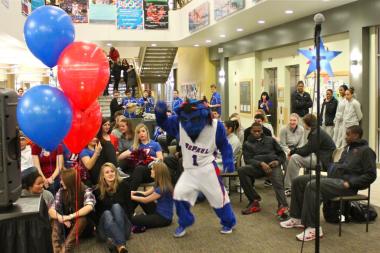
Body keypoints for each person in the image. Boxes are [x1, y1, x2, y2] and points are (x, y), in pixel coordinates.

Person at [155, 99, 236, 237]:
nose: (189, 123)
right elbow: (164, 123)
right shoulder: (180, 121)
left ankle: (228, 222)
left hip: (208, 169)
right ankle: (184, 222)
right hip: (190, 170)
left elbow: (224, 145)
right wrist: (160, 113)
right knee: (179, 195)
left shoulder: (216, 126)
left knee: (219, 199)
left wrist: (228, 159)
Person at [280, 125, 377, 241]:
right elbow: (341, 166)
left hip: (347, 185)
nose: (345, 137)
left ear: (356, 135)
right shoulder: (347, 149)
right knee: (299, 181)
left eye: (348, 134)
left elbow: (371, 175)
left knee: (313, 186)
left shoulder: (366, 151)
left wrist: (351, 183)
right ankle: (297, 217)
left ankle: (313, 228)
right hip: (335, 180)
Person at [238, 122, 289, 219]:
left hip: (273, 166)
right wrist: (260, 163)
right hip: (258, 168)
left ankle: (283, 206)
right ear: (251, 131)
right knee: (242, 170)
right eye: (254, 131)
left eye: (259, 131)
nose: (257, 133)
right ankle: (254, 201)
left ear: (262, 131)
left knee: (278, 182)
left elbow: (282, 154)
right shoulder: (247, 144)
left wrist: (277, 162)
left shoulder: (271, 140)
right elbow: (248, 160)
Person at [284, 114, 336, 193]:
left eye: (304, 123)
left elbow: (306, 151)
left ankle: (290, 187)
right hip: (321, 156)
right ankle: (294, 185)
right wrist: (294, 150)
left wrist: (293, 151)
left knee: (295, 158)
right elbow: (308, 147)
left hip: (323, 161)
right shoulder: (316, 131)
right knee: (296, 156)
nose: (303, 125)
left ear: (308, 123)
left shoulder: (316, 133)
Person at [49, 169, 96, 253]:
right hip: (68, 226)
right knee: (55, 220)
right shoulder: (61, 191)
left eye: (62, 180)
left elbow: (89, 207)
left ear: (69, 182)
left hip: (85, 229)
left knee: (82, 219)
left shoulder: (85, 190)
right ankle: (57, 250)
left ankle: (65, 250)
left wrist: (70, 216)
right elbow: (51, 210)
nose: (60, 182)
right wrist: (62, 218)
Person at [93, 163, 131, 253]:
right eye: (107, 172)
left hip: (124, 228)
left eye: (112, 171)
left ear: (116, 172)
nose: (110, 174)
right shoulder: (97, 190)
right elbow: (97, 214)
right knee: (106, 213)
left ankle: (116, 243)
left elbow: (130, 208)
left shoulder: (124, 185)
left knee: (116, 206)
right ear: (103, 176)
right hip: (105, 231)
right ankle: (121, 245)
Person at [131, 162, 174, 232]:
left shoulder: (162, 188)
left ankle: (134, 218)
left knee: (133, 219)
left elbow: (146, 200)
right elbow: (145, 193)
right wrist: (133, 192)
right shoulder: (159, 183)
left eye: (153, 169)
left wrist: (130, 196)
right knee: (138, 195)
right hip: (157, 211)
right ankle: (129, 212)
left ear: (158, 173)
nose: (151, 171)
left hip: (163, 218)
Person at [118, 123, 163, 191]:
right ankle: (120, 172)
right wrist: (131, 153)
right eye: (138, 132)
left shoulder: (155, 144)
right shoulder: (136, 146)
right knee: (128, 162)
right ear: (137, 135)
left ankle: (129, 194)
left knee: (138, 170)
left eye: (143, 131)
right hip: (137, 171)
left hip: (150, 171)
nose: (141, 133)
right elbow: (120, 157)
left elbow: (161, 159)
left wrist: (150, 158)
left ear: (147, 132)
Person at [279, 113, 305, 195]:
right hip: (285, 149)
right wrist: (289, 152)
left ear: (297, 121)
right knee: (287, 160)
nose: (292, 122)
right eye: (290, 120)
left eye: (294, 120)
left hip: (296, 149)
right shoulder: (283, 129)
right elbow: (282, 144)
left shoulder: (301, 129)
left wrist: (295, 152)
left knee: (296, 159)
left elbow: (301, 143)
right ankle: (288, 186)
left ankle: (295, 183)